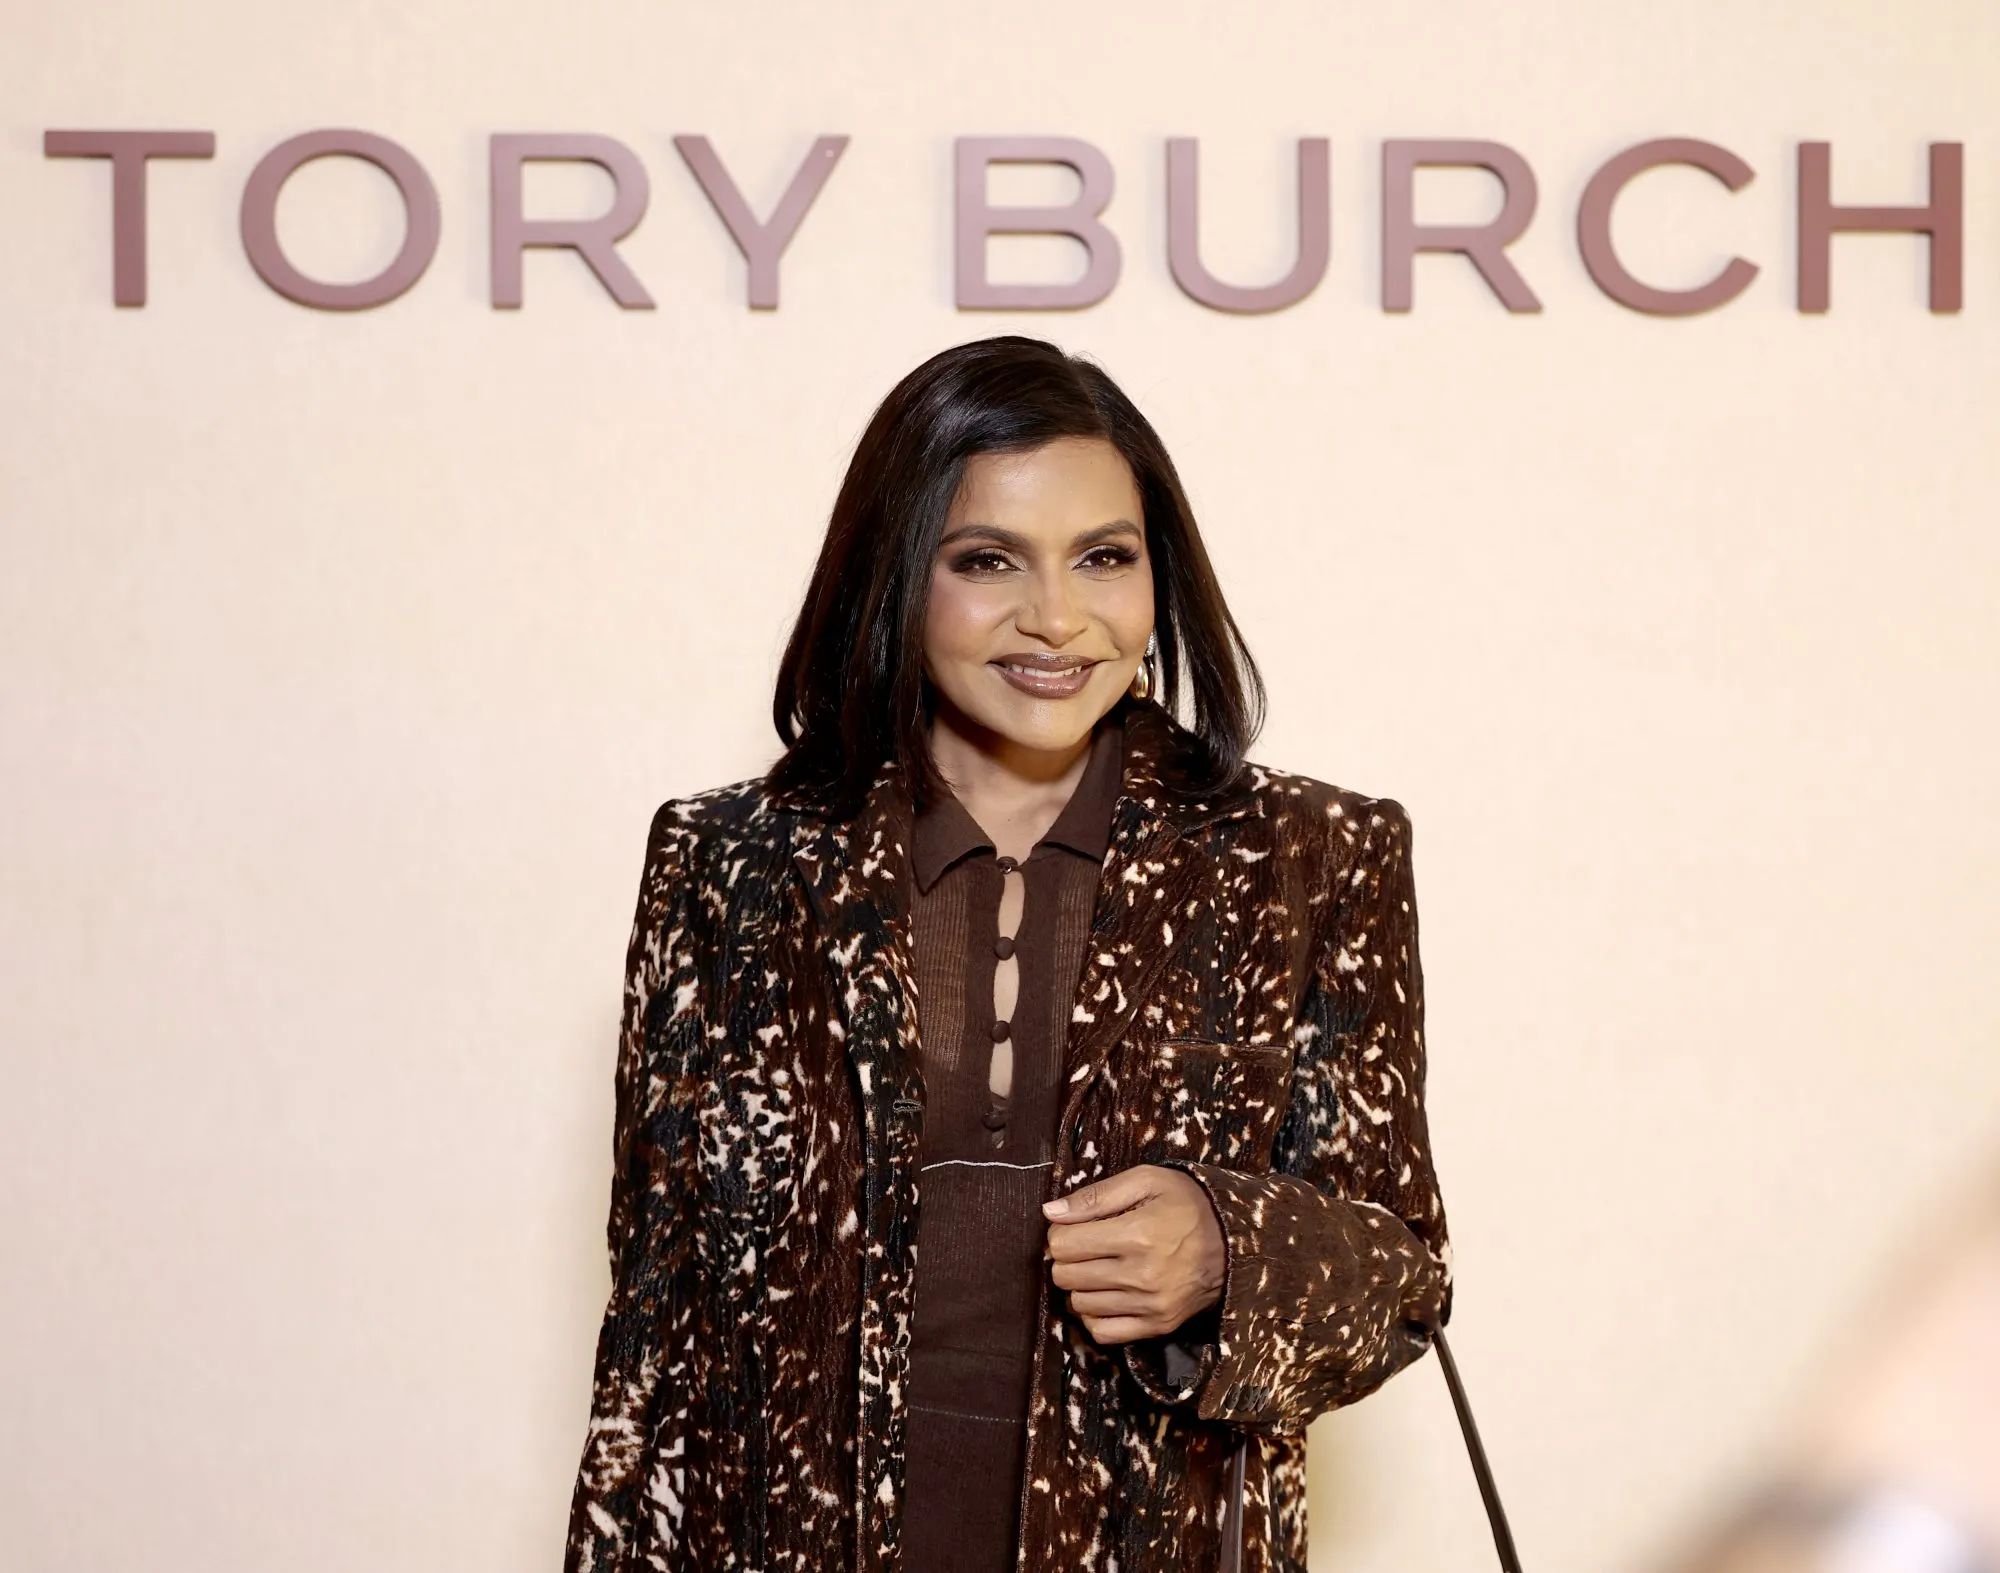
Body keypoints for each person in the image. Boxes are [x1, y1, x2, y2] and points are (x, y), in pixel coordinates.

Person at [561, 335, 1453, 1573]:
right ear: (894, 574)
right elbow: (653, 1333)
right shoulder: (729, 859)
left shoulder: (1309, 856)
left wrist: (1230, 1244)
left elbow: (1402, 1277)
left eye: (1104, 557)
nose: (1056, 616)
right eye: (986, 561)